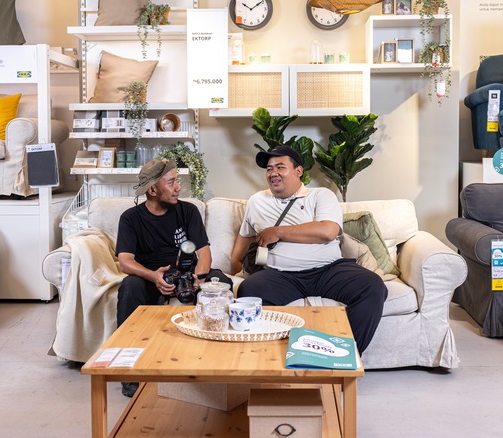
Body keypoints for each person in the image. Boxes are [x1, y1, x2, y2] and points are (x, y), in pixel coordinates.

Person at [231, 146, 387, 353]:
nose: (273, 173)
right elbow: (245, 237)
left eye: (280, 167)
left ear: (298, 171)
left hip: (328, 270)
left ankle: (345, 356)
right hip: (280, 275)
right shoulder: (257, 201)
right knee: (249, 291)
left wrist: (278, 232)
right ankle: (272, 358)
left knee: (373, 287)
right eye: (269, 169)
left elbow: (328, 231)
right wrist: (236, 267)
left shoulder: (321, 195)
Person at [115, 158, 231, 397]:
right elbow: (125, 261)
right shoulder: (130, 218)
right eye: (171, 182)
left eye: (177, 181)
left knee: (223, 284)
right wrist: (153, 277)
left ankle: (219, 360)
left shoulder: (188, 211)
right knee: (130, 286)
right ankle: (129, 370)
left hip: (189, 274)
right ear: (153, 190)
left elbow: (204, 253)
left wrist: (199, 279)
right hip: (152, 277)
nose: (178, 187)